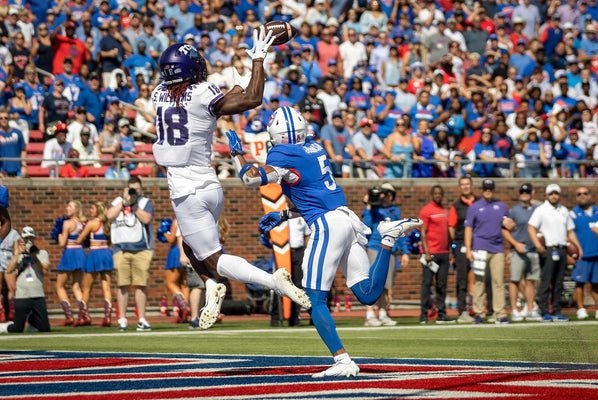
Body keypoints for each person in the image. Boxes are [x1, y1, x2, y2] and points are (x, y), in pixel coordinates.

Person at [226, 105, 422, 378]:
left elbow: (249, 178)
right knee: (367, 294)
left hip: (327, 225)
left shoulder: (282, 152)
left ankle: (342, 360)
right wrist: (284, 214)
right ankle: (386, 238)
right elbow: (311, 192)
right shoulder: (315, 147)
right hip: (346, 217)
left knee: (313, 298)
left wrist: (237, 154)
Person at [151, 35, 312, 331]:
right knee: (190, 245)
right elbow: (246, 100)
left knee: (214, 258)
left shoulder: (158, 94)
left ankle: (271, 281)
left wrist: (239, 85)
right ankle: (212, 286)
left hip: (187, 191)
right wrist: (256, 63)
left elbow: (207, 104)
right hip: (210, 185)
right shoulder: (202, 92)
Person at [528, 184, 583, 322]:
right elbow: (531, 227)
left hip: (562, 248)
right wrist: (537, 245)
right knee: (546, 281)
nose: (554, 196)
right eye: (551, 194)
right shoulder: (541, 210)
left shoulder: (563, 210)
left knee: (559, 282)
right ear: (547, 195)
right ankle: (545, 310)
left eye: (556, 194)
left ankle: (557, 311)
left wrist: (578, 247)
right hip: (548, 248)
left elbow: (570, 231)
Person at [465, 179, 516, 324]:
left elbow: (508, 226)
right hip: (480, 248)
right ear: (482, 190)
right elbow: (468, 229)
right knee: (479, 282)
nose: (488, 190)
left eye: (490, 188)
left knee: (498, 282)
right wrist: (468, 249)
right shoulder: (474, 207)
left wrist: (512, 226)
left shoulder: (501, 206)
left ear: (493, 190)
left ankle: (500, 314)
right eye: (486, 188)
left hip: (497, 248)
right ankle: (479, 313)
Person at [107, 177, 154, 332]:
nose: (135, 191)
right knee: (123, 285)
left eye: (137, 189)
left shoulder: (145, 202)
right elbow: (109, 216)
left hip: (141, 249)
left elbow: (146, 219)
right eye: (131, 188)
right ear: (126, 189)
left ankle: (141, 319)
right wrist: (123, 200)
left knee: (141, 285)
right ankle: (122, 319)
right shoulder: (117, 201)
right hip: (121, 248)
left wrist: (133, 204)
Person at [361, 183, 409, 327]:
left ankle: (382, 313)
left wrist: (405, 252)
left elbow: (401, 232)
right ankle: (370, 315)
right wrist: (369, 205)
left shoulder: (395, 211)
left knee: (386, 285)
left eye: (389, 193)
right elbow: (366, 226)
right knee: (372, 282)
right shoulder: (374, 209)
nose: (385, 196)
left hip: (391, 250)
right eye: (383, 193)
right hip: (375, 247)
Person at [502, 183, 542, 322]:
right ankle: (514, 309)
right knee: (515, 280)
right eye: (522, 191)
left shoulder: (538, 209)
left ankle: (530, 309)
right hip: (518, 250)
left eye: (527, 191)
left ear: (532, 192)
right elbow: (504, 230)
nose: (524, 193)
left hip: (532, 249)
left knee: (531, 281)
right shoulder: (513, 210)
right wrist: (514, 244)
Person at [0, 227, 51, 334]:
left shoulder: (42, 253)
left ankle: (32, 321)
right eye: (26, 239)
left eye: (31, 238)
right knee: (17, 329)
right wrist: (18, 254)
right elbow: (9, 269)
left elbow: (44, 271)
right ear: (22, 240)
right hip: (22, 294)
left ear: (34, 239)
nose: (29, 241)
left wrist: (34, 256)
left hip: (37, 294)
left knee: (45, 328)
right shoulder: (18, 255)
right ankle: (6, 327)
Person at [419, 185, 455, 324]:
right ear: (432, 194)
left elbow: (447, 234)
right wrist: (427, 252)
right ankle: (423, 314)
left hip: (444, 253)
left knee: (442, 285)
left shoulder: (445, 211)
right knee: (427, 284)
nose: (438, 195)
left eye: (440, 193)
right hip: (431, 254)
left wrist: (450, 252)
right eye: (435, 193)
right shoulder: (426, 210)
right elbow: (423, 232)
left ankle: (442, 313)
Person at [76, 201, 114, 327]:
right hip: (107, 253)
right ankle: (108, 317)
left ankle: (82, 317)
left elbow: (79, 240)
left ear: (98, 210)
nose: (90, 211)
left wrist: (81, 231)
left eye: (92, 208)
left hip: (95, 254)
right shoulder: (107, 223)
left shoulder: (92, 223)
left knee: (87, 288)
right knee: (106, 287)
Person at [569, 187, 598, 320]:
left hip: (597, 253)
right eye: (579, 194)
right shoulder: (573, 214)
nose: (582, 196)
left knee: (596, 282)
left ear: (589, 195)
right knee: (579, 282)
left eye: (584, 193)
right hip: (582, 254)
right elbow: (569, 233)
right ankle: (581, 308)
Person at [56, 200, 87, 326]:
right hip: (80, 253)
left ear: (76, 209)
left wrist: (58, 235)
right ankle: (84, 315)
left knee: (59, 286)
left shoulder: (67, 223)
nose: (67, 208)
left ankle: (69, 316)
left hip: (70, 253)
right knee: (77, 286)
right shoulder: (82, 223)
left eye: (70, 206)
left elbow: (62, 243)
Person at [162, 218, 191, 323]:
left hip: (177, 251)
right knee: (184, 284)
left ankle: (184, 307)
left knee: (170, 283)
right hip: (188, 251)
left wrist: (164, 232)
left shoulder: (177, 220)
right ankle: (184, 313)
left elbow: (171, 239)